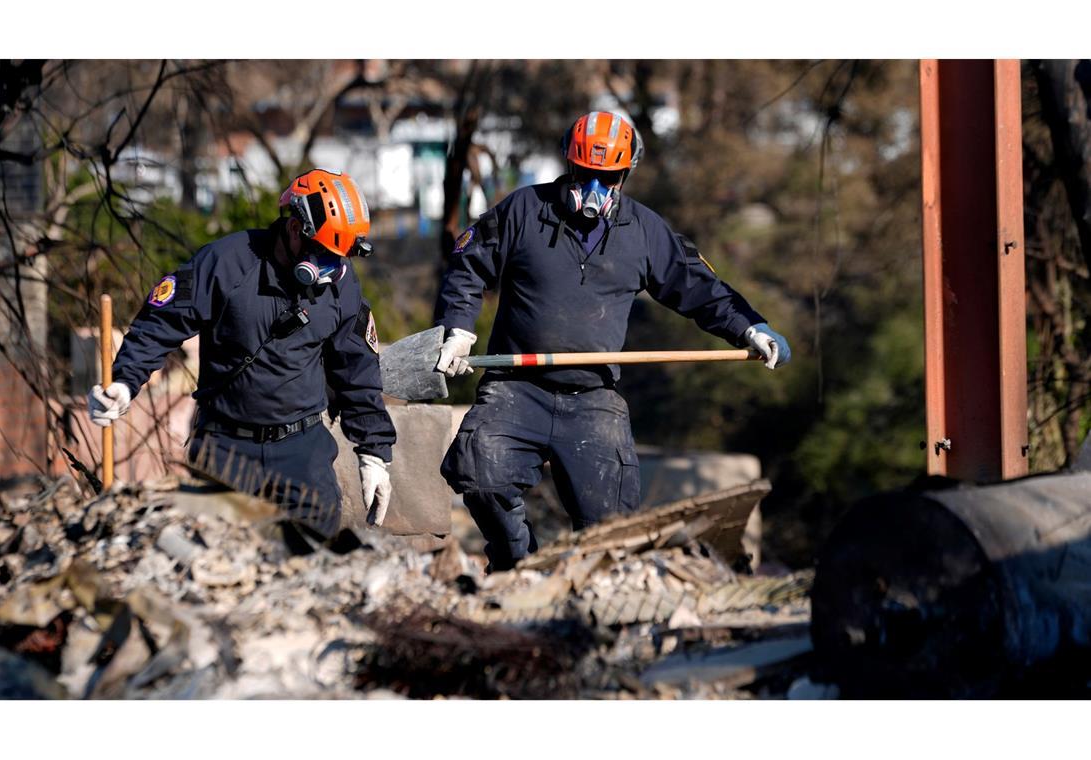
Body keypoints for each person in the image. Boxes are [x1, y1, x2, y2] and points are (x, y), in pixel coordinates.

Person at [433, 111, 790, 571]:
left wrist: (750, 328)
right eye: (586, 175)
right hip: (514, 388)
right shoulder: (522, 210)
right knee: (480, 476)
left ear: (624, 175)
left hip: (593, 398)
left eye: (607, 178)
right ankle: (517, 567)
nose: (595, 189)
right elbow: (467, 266)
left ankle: (587, 590)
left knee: (613, 529)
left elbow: (699, 288)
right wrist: (458, 329)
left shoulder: (644, 232)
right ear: (570, 165)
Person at [88, 169, 396, 544]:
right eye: (323, 256)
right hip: (226, 450)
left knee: (310, 570)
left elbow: (358, 369)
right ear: (296, 230)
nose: (330, 271)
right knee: (217, 566)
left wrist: (373, 452)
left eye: (339, 259)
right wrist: (124, 381)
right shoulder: (226, 262)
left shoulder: (342, 283)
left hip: (303, 454)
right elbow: (160, 323)